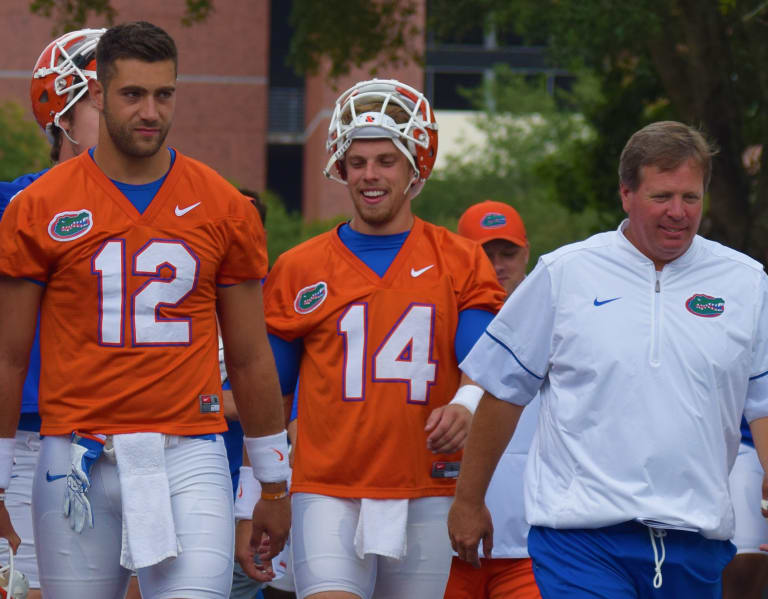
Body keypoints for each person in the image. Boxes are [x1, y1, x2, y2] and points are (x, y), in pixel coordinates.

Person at [0, 21, 289, 599]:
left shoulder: (225, 205)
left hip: (189, 449)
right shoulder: (36, 206)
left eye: (164, 94)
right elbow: (8, 357)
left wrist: (273, 483)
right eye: (133, 94)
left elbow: (254, 356)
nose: (151, 111)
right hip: (73, 453)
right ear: (100, 95)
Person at [448, 120, 768, 598]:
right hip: (580, 541)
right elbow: (503, 390)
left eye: (691, 197)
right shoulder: (565, 274)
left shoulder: (746, 282)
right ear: (626, 194)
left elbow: (762, 401)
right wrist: (468, 500)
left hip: (695, 542)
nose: (678, 213)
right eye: (662, 197)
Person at [251, 79, 506, 599]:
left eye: (386, 160)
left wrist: (464, 401)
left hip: (428, 486)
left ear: (415, 168)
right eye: (359, 160)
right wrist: (269, 489)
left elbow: (486, 358)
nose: (370, 174)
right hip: (327, 487)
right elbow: (268, 390)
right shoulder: (299, 266)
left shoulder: (460, 258)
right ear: (340, 167)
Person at [0, 27, 105, 599]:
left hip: (143, 440)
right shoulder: (13, 204)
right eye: (101, 96)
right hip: (30, 440)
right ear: (61, 115)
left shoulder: (184, 200)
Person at [442, 200, 540, 599]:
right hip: (443, 543)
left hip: (529, 546)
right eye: (484, 253)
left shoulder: (558, 316)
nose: (497, 265)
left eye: (508, 253)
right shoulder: (431, 319)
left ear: (527, 252)